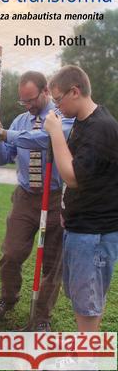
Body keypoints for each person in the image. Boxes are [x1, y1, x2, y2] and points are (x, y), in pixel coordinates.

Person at [0, 71, 74, 331]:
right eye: (23, 101)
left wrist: (3, 133)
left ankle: (41, 318)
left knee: (52, 264)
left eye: (31, 100)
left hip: (55, 198)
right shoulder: (20, 120)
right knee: (11, 254)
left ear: (45, 92)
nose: (28, 106)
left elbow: (42, 141)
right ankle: (8, 298)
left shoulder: (61, 117)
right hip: (25, 197)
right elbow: (7, 154)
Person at [44, 65, 118, 332]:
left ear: (74, 92)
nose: (56, 107)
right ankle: (85, 359)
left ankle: (86, 362)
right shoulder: (83, 122)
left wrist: (54, 132)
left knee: (88, 306)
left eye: (57, 99)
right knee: (83, 301)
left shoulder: (101, 128)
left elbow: (72, 176)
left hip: (94, 234)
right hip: (81, 228)